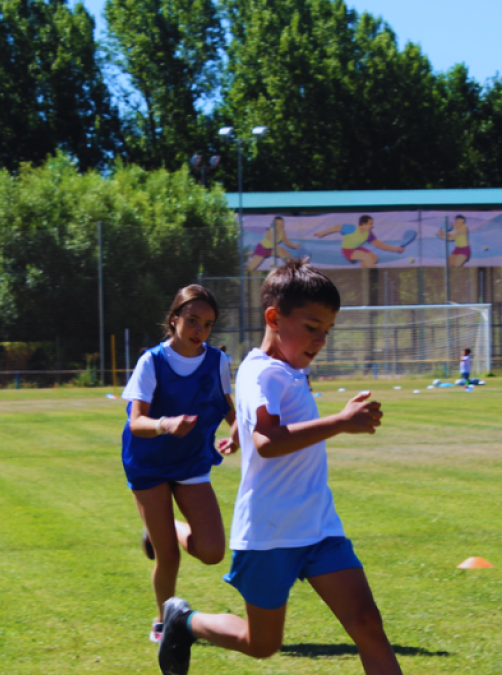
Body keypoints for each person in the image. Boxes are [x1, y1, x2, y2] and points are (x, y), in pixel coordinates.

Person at [156, 259, 401, 675]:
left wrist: (239, 433)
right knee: (262, 643)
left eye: (327, 330)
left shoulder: (289, 370)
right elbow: (267, 442)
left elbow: (264, 430)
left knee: (367, 625)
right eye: (311, 327)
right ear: (274, 317)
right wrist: (340, 421)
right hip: (269, 533)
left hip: (319, 525)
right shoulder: (259, 373)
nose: (321, 340)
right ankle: (185, 621)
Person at [122, 285, 239, 643]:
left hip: (190, 462)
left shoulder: (218, 361)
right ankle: (164, 623)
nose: (199, 329)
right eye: (191, 320)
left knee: (212, 551)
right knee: (168, 557)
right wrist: (165, 425)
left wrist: (234, 433)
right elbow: (135, 422)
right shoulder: (152, 361)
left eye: (207, 323)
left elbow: (233, 413)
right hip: (148, 464)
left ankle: (160, 527)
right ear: (174, 320)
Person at [315, 215, 404, 269]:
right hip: (347, 250)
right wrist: (323, 233)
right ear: (363, 224)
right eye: (370, 223)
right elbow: (336, 227)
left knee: (374, 259)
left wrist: (395, 249)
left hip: (357, 248)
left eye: (372, 223)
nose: (372, 226)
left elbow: (379, 244)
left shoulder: (368, 233)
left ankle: (363, 272)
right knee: (366, 257)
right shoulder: (352, 228)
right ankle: (376, 278)